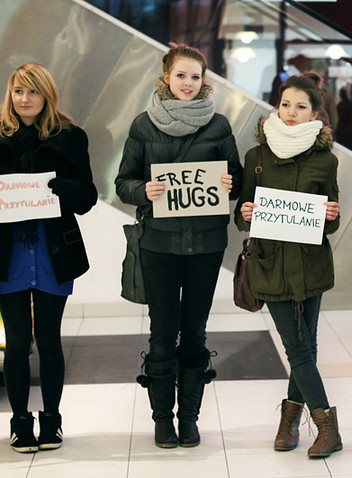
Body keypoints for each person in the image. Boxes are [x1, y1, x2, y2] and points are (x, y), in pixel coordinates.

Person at [115, 43, 242, 449]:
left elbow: (237, 179)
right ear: (166, 77)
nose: (188, 83)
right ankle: (161, 420)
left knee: (196, 333)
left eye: (196, 77)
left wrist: (231, 185)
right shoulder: (142, 125)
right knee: (161, 334)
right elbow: (123, 182)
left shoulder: (219, 125)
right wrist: (142, 190)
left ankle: (189, 418)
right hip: (159, 245)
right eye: (181, 75)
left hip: (206, 245)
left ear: (204, 82)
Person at [235, 72, 342, 458]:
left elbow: (332, 220)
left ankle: (290, 418)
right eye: (285, 105)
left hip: (310, 265)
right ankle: (328, 426)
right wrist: (245, 212)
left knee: (305, 346)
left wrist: (331, 215)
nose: (291, 113)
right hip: (270, 264)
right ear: (276, 108)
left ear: (315, 113)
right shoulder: (257, 157)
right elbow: (242, 215)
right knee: (297, 346)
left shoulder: (325, 160)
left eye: (300, 107)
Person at [0, 63, 97, 453]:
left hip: (53, 248)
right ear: (11, 94)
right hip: (7, 252)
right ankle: (20, 423)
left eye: (33, 92)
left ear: (47, 96)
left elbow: (88, 196)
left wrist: (65, 188)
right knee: (18, 340)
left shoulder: (70, 136)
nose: (25, 100)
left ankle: (52, 421)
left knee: (49, 339)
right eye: (19, 92)